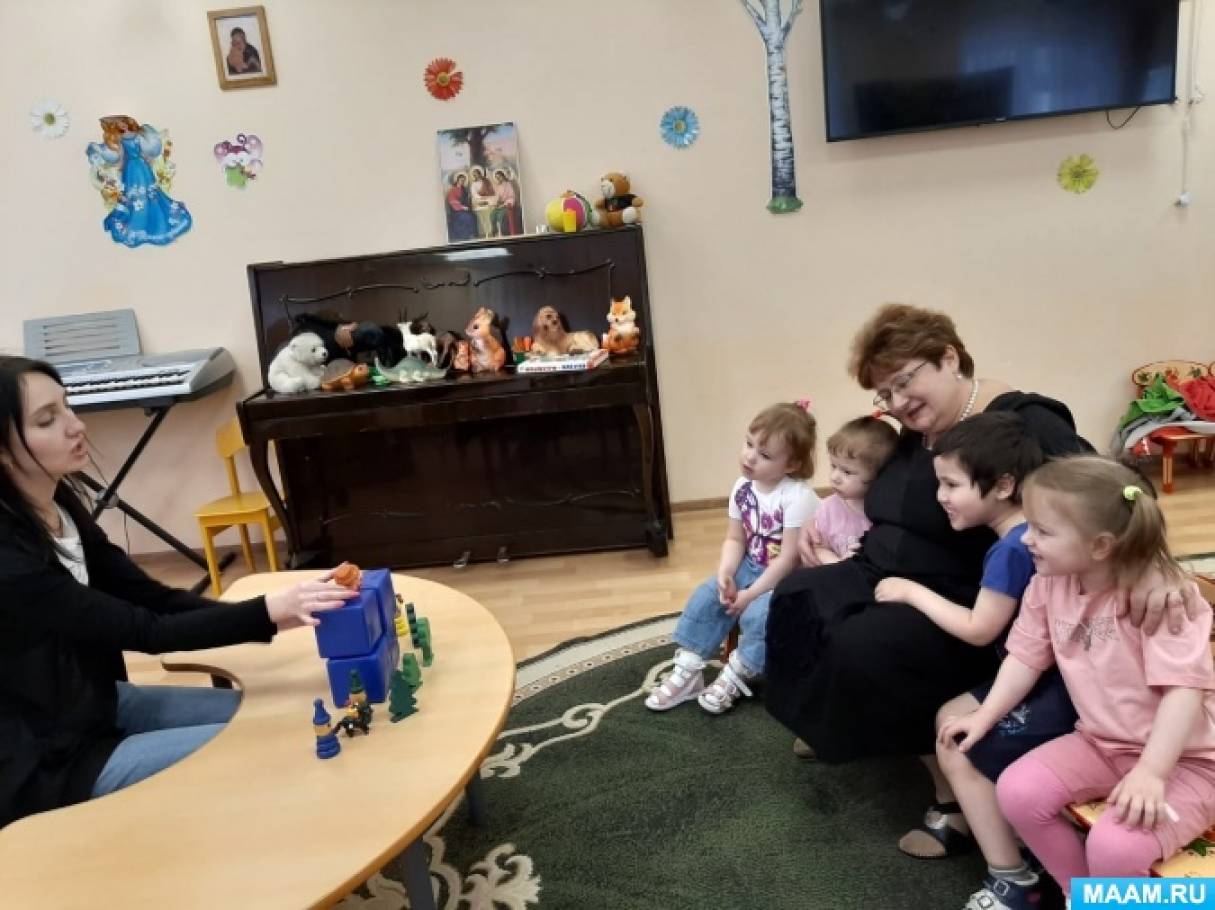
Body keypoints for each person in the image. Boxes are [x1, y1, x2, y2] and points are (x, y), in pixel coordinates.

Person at [763, 305, 1202, 826]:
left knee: (864, 643)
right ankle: (837, 721)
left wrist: (1155, 567)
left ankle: (950, 797)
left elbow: (1119, 491)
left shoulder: (1023, 421)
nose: (897, 403)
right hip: (879, 569)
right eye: (884, 393)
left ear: (949, 358)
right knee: (798, 597)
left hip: (966, 593)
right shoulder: (917, 429)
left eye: (904, 382)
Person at [0, 356, 356, 829]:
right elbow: (147, 631)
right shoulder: (10, 560)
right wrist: (269, 611)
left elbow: (154, 599)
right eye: (47, 420)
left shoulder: (60, 503)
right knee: (263, 744)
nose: (76, 425)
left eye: (67, 406)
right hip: (51, 763)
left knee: (272, 715)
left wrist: (274, 613)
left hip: (99, 705)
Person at [941, 456, 1215, 905]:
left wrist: (1151, 772)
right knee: (1018, 790)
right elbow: (1025, 657)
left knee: (1114, 846)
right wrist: (985, 714)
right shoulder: (1048, 584)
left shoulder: (1161, 600)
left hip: (1188, 761)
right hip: (1101, 743)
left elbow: (1183, 691)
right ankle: (1083, 896)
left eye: (1043, 531)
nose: (1025, 538)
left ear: (1101, 545)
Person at [877, 412, 1077, 909]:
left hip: (1060, 691)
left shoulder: (1013, 548)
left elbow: (978, 628)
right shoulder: (1023, 536)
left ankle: (1013, 877)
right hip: (1042, 677)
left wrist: (910, 592)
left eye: (951, 484)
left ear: (1003, 485)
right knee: (950, 716)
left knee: (957, 742)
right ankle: (1015, 844)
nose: (940, 496)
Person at [645, 401, 819, 715]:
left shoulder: (798, 497)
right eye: (749, 444)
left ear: (792, 464)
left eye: (765, 455)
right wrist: (726, 572)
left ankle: (739, 672)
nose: (750, 456)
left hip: (787, 578)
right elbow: (736, 538)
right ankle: (689, 671)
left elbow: (789, 560)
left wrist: (751, 595)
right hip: (750, 566)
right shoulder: (742, 488)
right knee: (707, 595)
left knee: (760, 615)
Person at [86, 115, 192, 248]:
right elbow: (118, 156)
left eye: (124, 123)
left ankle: (153, 216)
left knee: (149, 190)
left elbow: (147, 149)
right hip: (130, 169)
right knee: (134, 193)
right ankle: (138, 217)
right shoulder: (120, 140)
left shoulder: (137, 136)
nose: (123, 126)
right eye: (119, 125)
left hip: (142, 166)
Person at [806, 415, 898, 565]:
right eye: (833, 466)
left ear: (879, 475)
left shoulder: (888, 513)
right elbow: (819, 549)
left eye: (847, 472)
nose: (834, 477)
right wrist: (838, 564)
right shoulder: (828, 509)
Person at [445, 172, 476, 241]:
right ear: (457, 180)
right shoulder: (452, 190)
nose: (462, 182)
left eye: (463, 180)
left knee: (473, 216)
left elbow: (466, 201)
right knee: (467, 217)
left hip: (464, 209)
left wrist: (468, 203)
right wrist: (462, 207)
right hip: (456, 210)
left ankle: (471, 234)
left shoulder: (464, 189)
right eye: (461, 180)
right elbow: (452, 201)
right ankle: (466, 235)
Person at [491, 169, 520, 237]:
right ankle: (495, 231)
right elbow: (498, 197)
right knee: (492, 214)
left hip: (508, 205)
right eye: (497, 177)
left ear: (503, 176)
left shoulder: (508, 184)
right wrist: (497, 203)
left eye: (499, 177)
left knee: (501, 215)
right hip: (500, 205)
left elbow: (512, 196)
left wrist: (504, 204)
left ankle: (503, 233)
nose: (498, 179)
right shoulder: (498, 186)